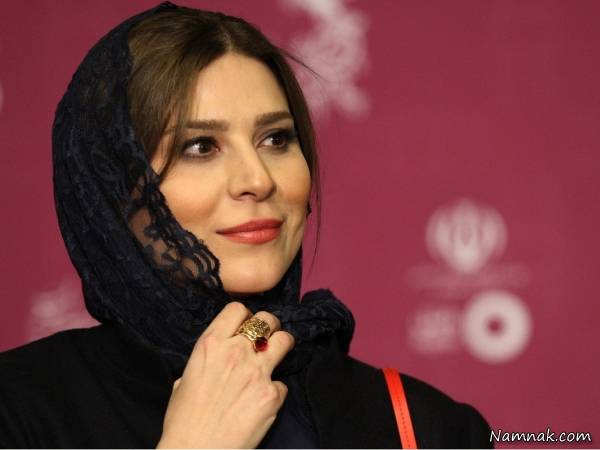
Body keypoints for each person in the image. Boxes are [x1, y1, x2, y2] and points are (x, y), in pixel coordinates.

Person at [0, 2, 492, 448]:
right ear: (113, 190)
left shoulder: (429, 427)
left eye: (276, 139)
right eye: (200, 147)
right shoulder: (20, 410)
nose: (258, 179)